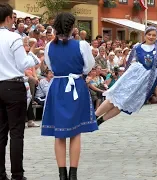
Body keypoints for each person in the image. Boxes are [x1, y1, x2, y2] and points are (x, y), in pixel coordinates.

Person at [41, 12, 97, 180]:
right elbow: (88, 66)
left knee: (59, 134)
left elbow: (50, 66)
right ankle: (73, 174)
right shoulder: (82, 45)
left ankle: (62, 174)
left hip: (57, 87)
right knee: (75, 132)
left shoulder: (49, 46)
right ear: (73, 27)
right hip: (75, 86)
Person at [95, 26, 157, 125]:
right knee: (114, 97)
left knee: (123, 103)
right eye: (149, 34)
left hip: (146, 80)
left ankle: (101, 121)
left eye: (154, 35)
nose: (151, 37)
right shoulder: (138, 47)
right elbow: (130, 63)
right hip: (134, 76)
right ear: (144, 35)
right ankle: (94, 117)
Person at [0, 3, 41, 180]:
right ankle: (17, 174)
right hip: (13, 85)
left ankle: (0, 173)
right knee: (16, 132)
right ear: (8, 18)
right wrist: (32, 53)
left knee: (0, 132)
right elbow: (23, 64)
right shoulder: (13, 37)